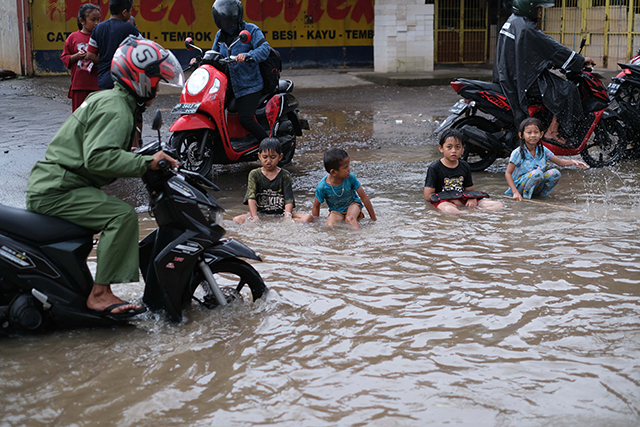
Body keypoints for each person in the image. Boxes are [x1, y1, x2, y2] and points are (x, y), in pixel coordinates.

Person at [26, 36, 183, 318]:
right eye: (156, 82)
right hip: (60, 188)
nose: (157, 91)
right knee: (121, 215)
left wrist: (138, 156)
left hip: (55, 182)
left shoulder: (108, 97)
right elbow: (97, 157)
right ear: (141, 80)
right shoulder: (118, 109)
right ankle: (99, 294)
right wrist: (147, 162)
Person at [493, 0, 595, 145]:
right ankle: (552, 131)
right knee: (568, 90)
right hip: (523, 79)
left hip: (508, 76)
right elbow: (553, 49)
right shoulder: (527, 28)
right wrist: (579, 60)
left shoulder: (512, 22)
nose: (540, 12)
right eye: (538, 8)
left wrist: (547, 62)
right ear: (528, 8)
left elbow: (527, 53)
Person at [207, 0, 271, 142]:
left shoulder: (251, 30)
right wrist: (201, 60)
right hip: (228, 84)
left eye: (228, 19)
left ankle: (269, 145)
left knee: (245, 119)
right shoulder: (220, 35)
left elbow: (264, 49)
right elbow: (214, 54)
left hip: (250, 85)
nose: (226, 22)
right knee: (210, 110)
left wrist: (247, 56)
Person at [505, 118, 589, 200]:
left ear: (541, 134)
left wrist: (572, 162)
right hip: (520, 187)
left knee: (555, 173)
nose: (533, 135)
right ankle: (526, 197)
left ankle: (541, 196)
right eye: (529, 133)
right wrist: (515, 192)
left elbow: (560, 162)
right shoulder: (518, 152)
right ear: (521, 135)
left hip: (536, 182)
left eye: (536, 132)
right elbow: (508, 173)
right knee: (537, 173)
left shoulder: (543, 150)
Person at [233, 138, 313, 224]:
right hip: (261, 214)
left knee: (308, 217)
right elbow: (251, 198)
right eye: (265, 157)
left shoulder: (285, 175)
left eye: (273, 157)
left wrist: (287, 217)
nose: (268, 160)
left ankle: (279, 221)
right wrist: (255, 217)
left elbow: (288, 199)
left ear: (280, 157)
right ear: (259, 156)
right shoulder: (254, 174)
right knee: (236, 220)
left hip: (280, 214)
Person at [424, 129, 504, 214]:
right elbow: (428, 196)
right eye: (449, 147)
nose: (454, 150)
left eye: (457, 147)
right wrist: (451, 198)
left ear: (463, 148)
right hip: (443, 201)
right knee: (448, 210)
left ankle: (474, 212)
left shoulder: (464, 166)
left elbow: (469, 189)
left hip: (463, 199)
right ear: (441, 148)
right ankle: (465, 213)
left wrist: (472, 198)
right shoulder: (435, 168)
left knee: (499, 205)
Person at [312, 148, 377, 229]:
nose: (349, 169)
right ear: (333, 172)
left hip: (353, 204)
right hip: (336, 211)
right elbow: (316, 206)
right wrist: (315, 226)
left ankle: (362, 236)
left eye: (348, 165)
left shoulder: (350, 177)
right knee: (329, 224)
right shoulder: (322, 187)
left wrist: (374, 220)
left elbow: (364, 197)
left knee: (349, 219)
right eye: (345, 167)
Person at [86, 0, 139, 90]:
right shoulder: (130, 28)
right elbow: (142, 49)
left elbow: (90, 55)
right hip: (125, 79)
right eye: (130, 11)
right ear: (124, 12)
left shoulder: (98, 28)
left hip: (104, 80)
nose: (130, 13)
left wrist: (105, 59)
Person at [61, 4, 100, 111]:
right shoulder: (73, 37)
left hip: (98, 84)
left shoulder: (100, 36)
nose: (96, 23)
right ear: (82, 21)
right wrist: (77, 56)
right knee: (79, 115)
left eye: (98, 19)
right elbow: (65, 57)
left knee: (97, 115)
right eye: (93, 20)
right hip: (79, 84)